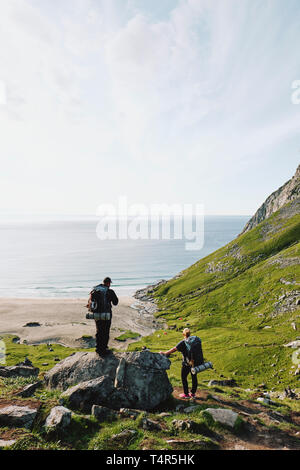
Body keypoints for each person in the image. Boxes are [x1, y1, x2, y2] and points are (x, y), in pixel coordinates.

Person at [160, 328, 203, 399]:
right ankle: (193, 393)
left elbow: (174, 349)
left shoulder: (183, 342)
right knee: (194, 377)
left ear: (183, 334)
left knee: (184, 377)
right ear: (190, 333)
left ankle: (186, 394)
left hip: (186, 363)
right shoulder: (194, 341)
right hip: (194, 362)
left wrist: (165, 353)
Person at [87, 277, 118, 357]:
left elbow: (90, 303)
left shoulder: (95, 291)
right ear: (109, 283)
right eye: (110, 283)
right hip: (107, 314)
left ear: (103, 282)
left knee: (99, 331)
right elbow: (115, 302)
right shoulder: (110, 291)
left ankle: (98, 349)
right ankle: (104, 349)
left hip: (97, 315)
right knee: (105, 331)